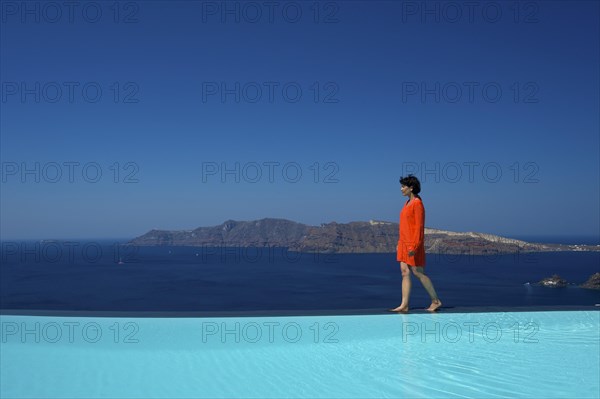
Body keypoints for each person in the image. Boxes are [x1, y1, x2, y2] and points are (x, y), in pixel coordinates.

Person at [389, 174, 442, 312]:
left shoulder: (417, 204)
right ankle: (404, 305)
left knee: (418, 273)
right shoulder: (407, 203)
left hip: (413, 244)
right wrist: (400, 242)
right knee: (404, 272)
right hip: (404, 243)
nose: (401, 189)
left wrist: (414, 246)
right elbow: (406, 225)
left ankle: (435, 301)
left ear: (411, 188)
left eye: (403, 187)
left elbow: (419, 227)